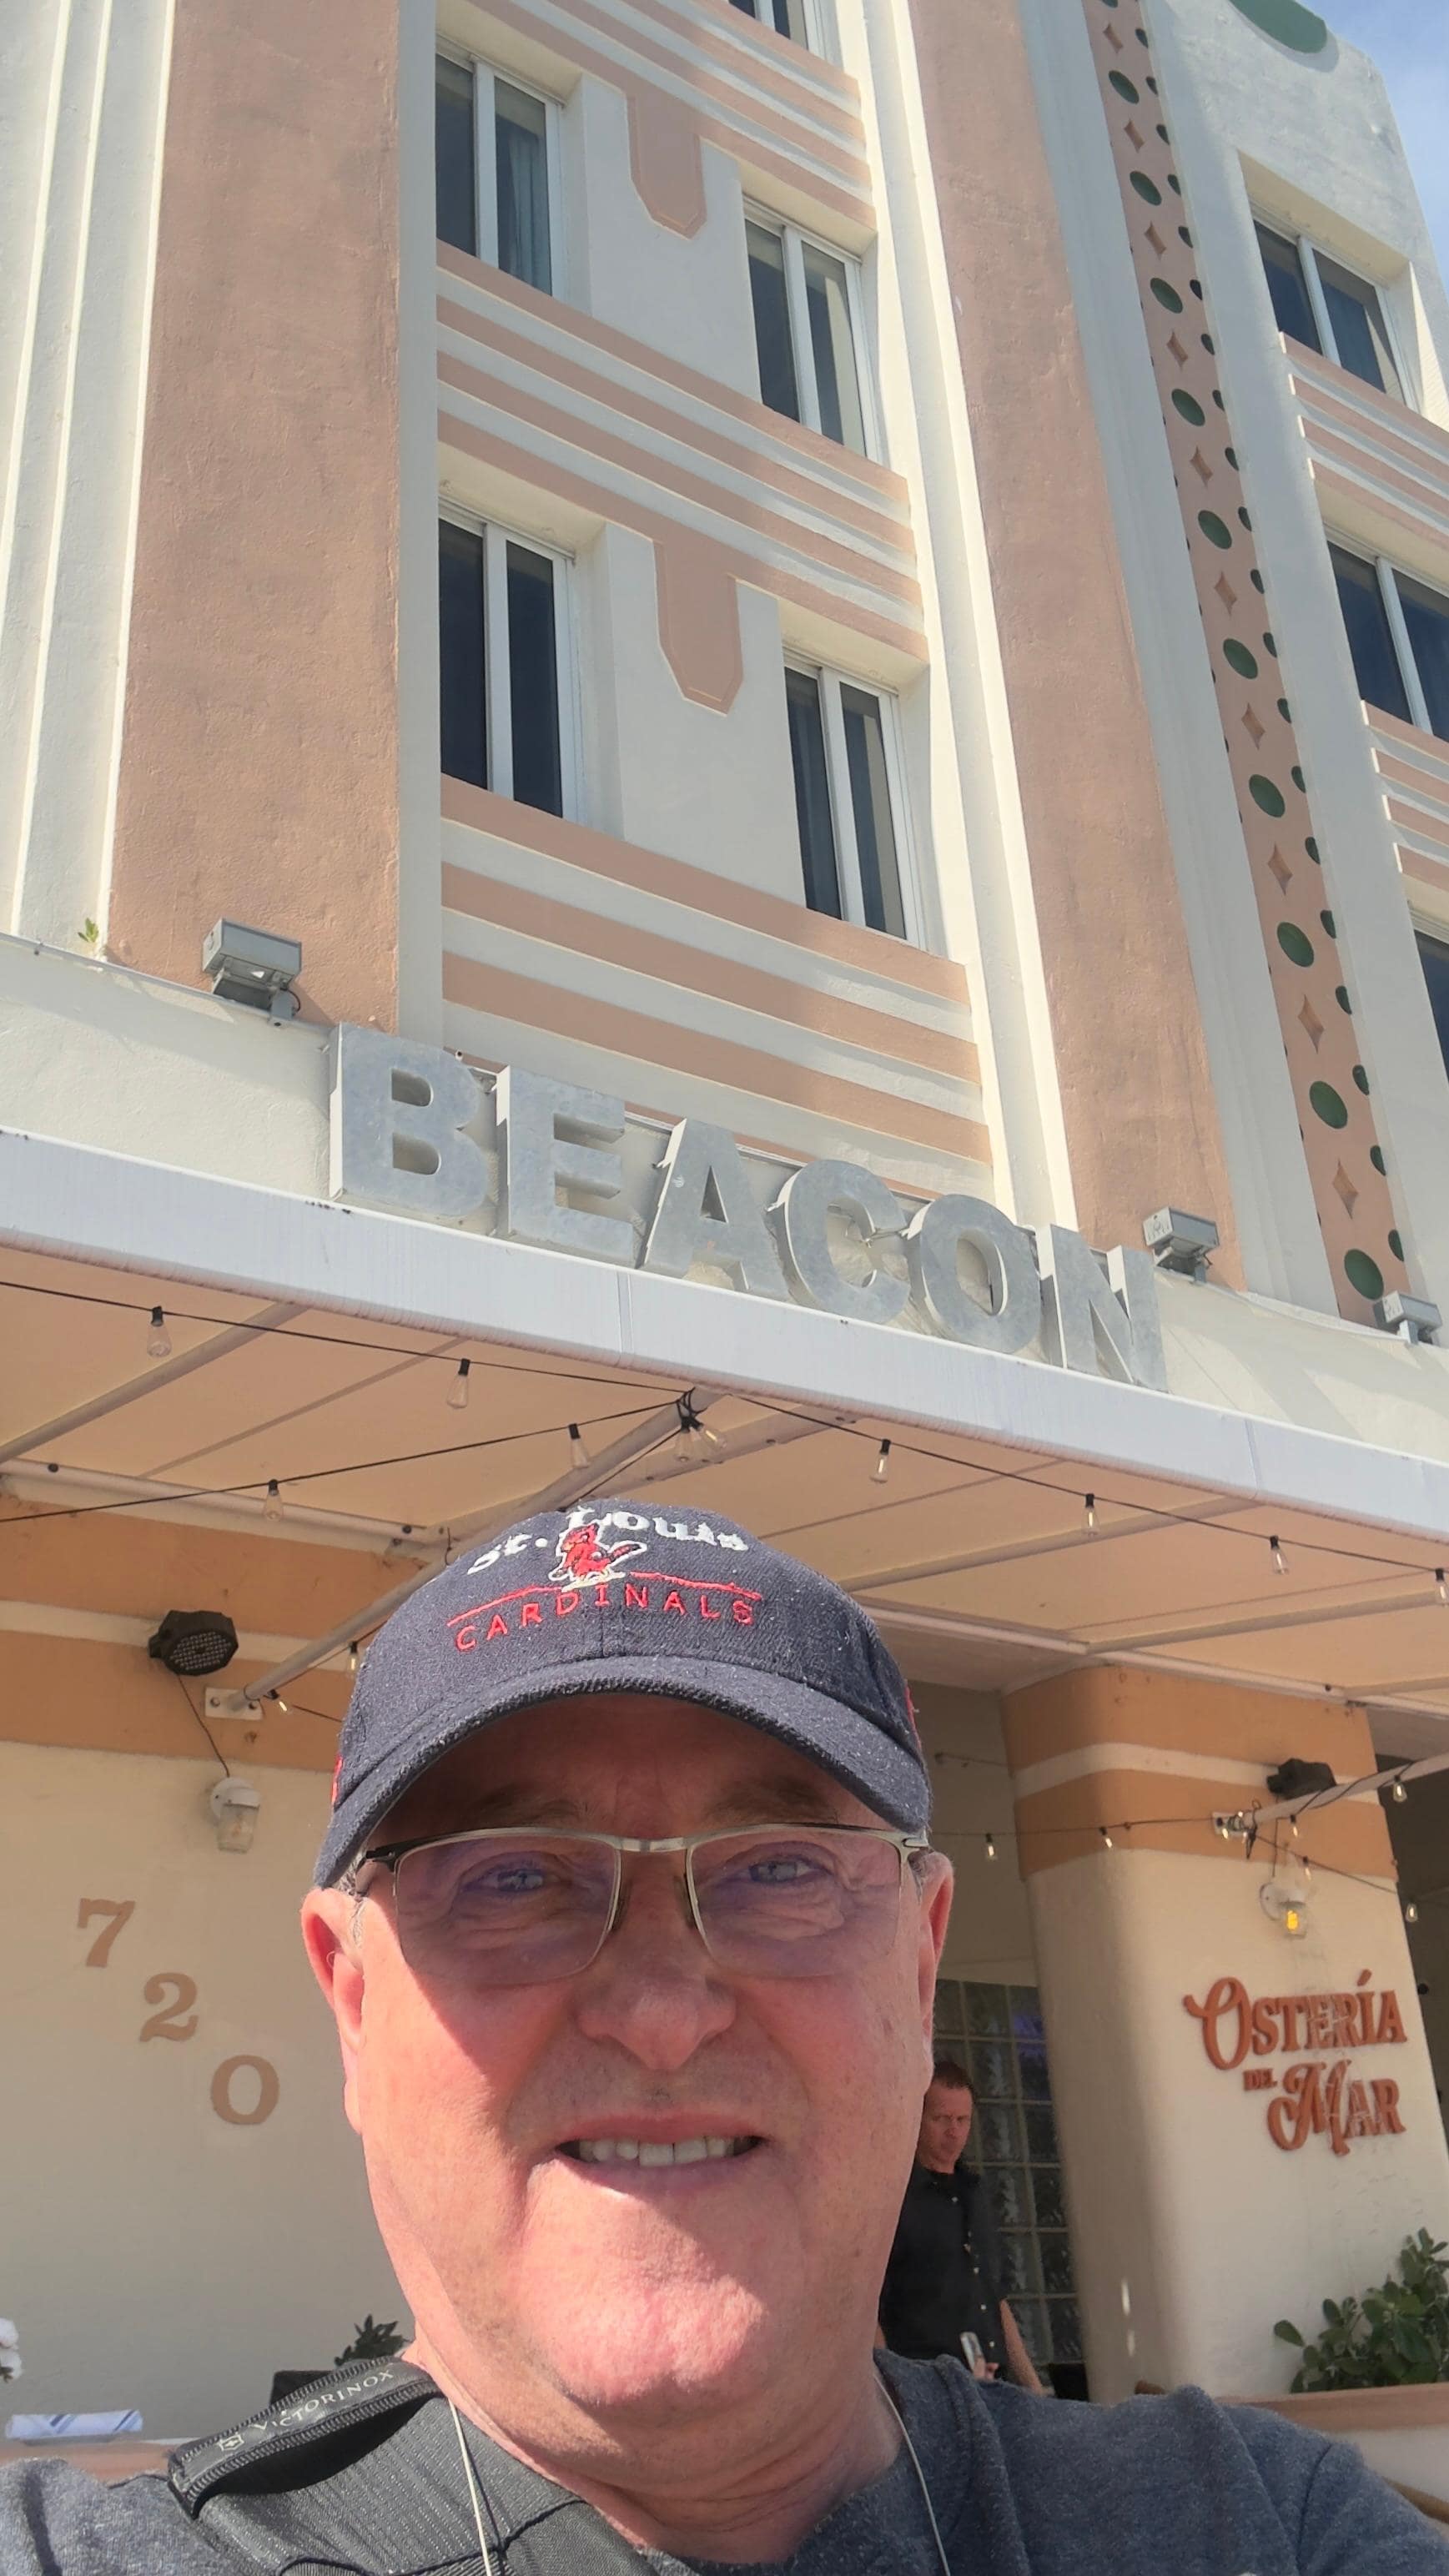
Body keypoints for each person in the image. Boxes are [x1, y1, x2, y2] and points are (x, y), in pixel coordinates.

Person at [3, 1498, 1444, 2573]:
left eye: (779, 1869)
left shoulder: (1251, 2527)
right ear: (355, 2004)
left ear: (920, 1965)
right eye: (509, 1877)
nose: (658, 2006)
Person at [880, 2057, 1044, 2392]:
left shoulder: (976, 2192)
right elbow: (869, 2305)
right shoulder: (894, 2198)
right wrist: (886, 2392)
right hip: (926, 2384)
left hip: (992, 2382)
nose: (953, 2132)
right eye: (941, 2119)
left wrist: (1034, 2388)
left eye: (962, 2120)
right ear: (917, 2117)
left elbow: (995, 2296)